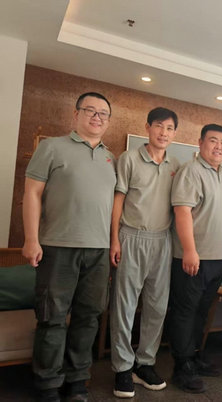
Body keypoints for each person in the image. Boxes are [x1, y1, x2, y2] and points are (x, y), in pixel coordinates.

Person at [22, 92, 116, 402]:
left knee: (89, 317)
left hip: (98, 250)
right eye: (90, 110)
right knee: (52, 317)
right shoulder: (52, 147)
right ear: (75, 115)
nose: (97, 117)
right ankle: (48, 384)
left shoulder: (110, 158)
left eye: (103, 113)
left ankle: (77, 380)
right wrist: (31, 239)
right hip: (57, 246)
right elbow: (32, 194)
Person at [109, 107, 180, 398]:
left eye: (170, 128)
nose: (164, 132)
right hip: (131, 237)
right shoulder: (129, 159)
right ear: (148, 127)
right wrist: (114, 240)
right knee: (124, 306)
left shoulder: (176, 165)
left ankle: (145, 363)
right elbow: (118, 200)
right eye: (159, 126)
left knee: (157, 306)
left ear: (174, 133)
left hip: (162, 241)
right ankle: (122, 368)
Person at [168, 123, 222, 394]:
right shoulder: (191, 171)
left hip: (219, 258)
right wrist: (189, 250)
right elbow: (182, 211)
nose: (218, 147)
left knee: (201, 310)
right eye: (213, 141)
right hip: (194, 257)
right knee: (185, 311)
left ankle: (195, 356)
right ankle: (182, 367)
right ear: (200, 142)